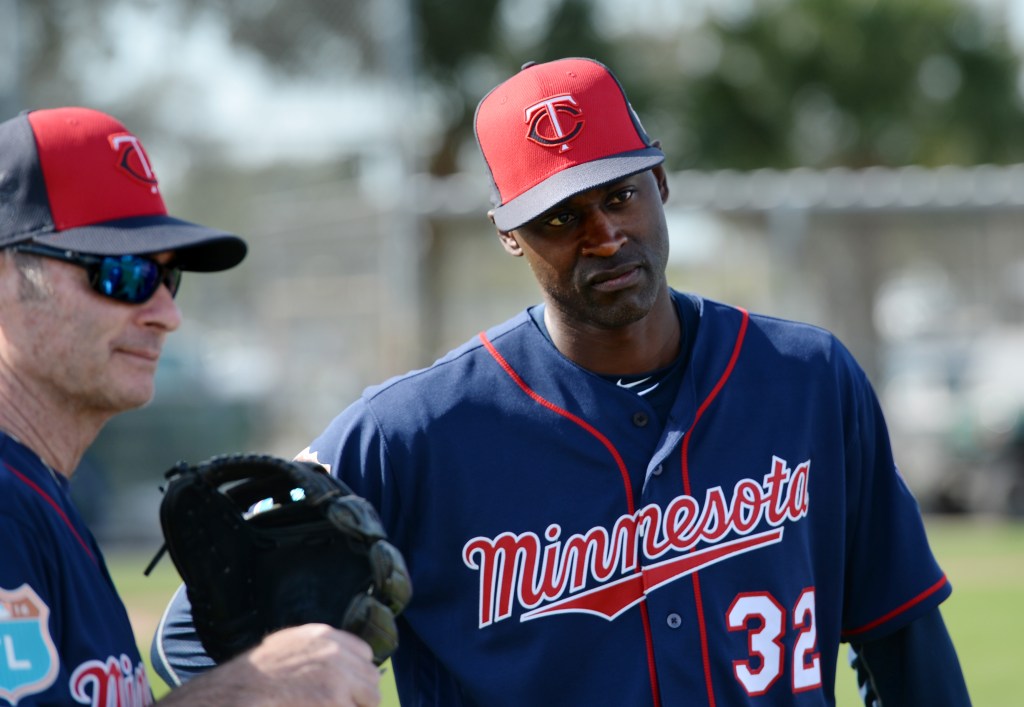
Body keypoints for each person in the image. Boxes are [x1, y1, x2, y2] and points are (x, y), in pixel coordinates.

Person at [154, 58, 971, 705]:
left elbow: (902, 635)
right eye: (560, 217)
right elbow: (197, 629)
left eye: (620, 194)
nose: (605, 235)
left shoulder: (808, 379)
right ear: (510, 235)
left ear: (662, 183)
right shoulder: (409, 435)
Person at [0, 107, 382, 707]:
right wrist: (240, 691)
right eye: (121, 273)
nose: (165, 312)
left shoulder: (41, 497)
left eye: (166, 279)